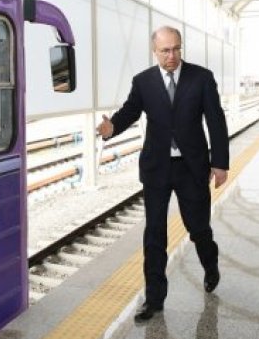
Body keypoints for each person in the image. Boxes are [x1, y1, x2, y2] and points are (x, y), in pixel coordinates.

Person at [97, 26, 229, 323]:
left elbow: (216, 120)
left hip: (192, 166)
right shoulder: (143, 81)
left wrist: (220, 162)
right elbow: (130, 111)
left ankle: (211, 263)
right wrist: (111, 129)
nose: (172, 56)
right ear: (154, 51)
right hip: (157, 167)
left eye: (176, 49)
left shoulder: (202, 77)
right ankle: (154, 299)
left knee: (198, 229)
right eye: (165, 50)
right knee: (154, 233)